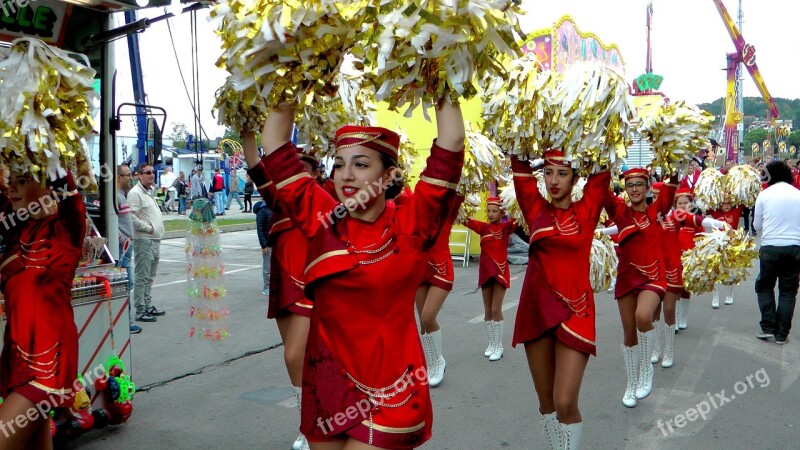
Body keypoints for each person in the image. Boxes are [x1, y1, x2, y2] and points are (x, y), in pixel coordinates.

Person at [247, 99, 464, 450]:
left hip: (392, 391)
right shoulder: (320, 218)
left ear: (387, 174)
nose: (346, 175)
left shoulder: (412, 223)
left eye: (361, 164)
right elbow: (274, 143)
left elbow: (451, 144)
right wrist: (288, 68)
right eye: (339, 165)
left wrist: (439, 74)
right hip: (327, 386)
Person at [508, 151, 609, 450]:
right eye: (548, 173)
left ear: (576, 178)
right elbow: (519, 163)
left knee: (565, 401)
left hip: (576, 311)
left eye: (562, 173)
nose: (553, 180)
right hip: (537, 309)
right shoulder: (534, 208)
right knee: (547, 404)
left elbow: (603, 164)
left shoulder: (587, 209)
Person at [0, 169, 86, 449]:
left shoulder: (67, 227)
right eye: (11, 182)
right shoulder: (14, 229)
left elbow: (65, 182)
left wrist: (41, 134)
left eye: (22, 181)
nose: (12, 188)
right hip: (15, 361)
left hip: (48, 364)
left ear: (47, 187)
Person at [245, 133, 319, 450]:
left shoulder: (324, 198)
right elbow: (255, 165)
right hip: (283, 285)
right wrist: (246, 131)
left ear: (314, 173)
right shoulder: (277, 198)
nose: (295, 172)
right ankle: (311, 424)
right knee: (295, 361)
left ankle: (314, 425)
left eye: (303, 167)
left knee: (295, 355)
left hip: (311, 287)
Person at [603, 167, 677, 409]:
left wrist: (673, 164)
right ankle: (631, 383)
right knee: (629, 335)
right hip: (626, 279)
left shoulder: (657, 211)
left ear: (647, 188)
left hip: (654, 278)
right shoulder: (620, 212)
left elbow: (669, 188)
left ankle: (646, 369)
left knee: (643, 316)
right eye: (630, 185)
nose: (634, 189)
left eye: (639, 184)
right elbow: (601, 193)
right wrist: (598, 165)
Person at [415, 192, 463, 386]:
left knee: (428, 317)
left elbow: (455, 191)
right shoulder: (415, 212)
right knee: (422, 323)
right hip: (420, 271)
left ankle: (439, 361)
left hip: (442, 270)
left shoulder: (447, 212)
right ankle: (432, 363)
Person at [464, 197, 517, 362]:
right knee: (487, 311)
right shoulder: (483, 227)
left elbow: (520, 216)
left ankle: (499, 346)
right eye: (489, 211)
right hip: (486, 273)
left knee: (496, 309)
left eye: (495, 211)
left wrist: (513, 201)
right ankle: (492, 343)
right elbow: (464, 219)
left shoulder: (506, 228)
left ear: (502, 212)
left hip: (500, 272)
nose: (491, 214)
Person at [753, 161, 800, 345]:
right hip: (795, 247)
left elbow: (757, 225)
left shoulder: (764, 195)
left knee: (764, 286)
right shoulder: (798, 194)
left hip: (770, 246)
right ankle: (782, 334)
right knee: (788, 291)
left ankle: (767, 326)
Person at [127, 163, 167, 323]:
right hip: (144, 240)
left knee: (150, 276)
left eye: (153, 172)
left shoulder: (149, 192)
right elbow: (131, 216)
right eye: (148, 172)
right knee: (142, 276)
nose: (152, 175)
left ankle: (148, 304)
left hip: (154, 240)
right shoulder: (135, 193)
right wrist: (148, 228)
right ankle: (140, 309)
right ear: (139, 175)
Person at [116, 164, 142, 334]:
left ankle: (126, 321)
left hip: (126, 246)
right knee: (126, 283)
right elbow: (112, 223)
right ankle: (124, 322)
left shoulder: (121, 196)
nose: (130, 178)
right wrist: (123, 239)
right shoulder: (116, 197)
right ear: (118, 177)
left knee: (128, 283)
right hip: (122, 248)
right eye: (127, 175)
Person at [709, 198, 744, 308]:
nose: (727, 206)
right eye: (724, 203)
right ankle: (715, 297)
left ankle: (729, 296)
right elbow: (709, 204)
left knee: (729, 271)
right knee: (715, 271)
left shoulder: (736, 212)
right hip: (717, 245)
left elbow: (742, 200)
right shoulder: (716, 213)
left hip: (731, 245)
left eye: (729, 203)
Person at [253, 199, 273, 295]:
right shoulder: (262, 210)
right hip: (267, 243)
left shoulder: (274, 208)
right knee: (267, 267)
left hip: (275, 242)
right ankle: (266, 287)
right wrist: (263, 245)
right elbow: (260, 229)